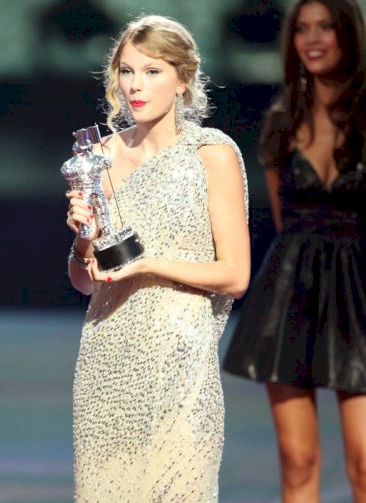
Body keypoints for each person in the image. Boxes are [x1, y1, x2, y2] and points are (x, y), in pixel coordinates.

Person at [64, 15, 250, 502]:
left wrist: (147, 265)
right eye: (126, 72)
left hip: (182, 362)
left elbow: (234, 275)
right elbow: (86, 282)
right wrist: (83, 239)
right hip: (107, 358)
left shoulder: (212, 154)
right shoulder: (99, 156)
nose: (135, 86)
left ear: (183, 78)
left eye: (152, 71)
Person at [222, 1, 366, 501]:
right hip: (293, 293)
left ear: (349, 34)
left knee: (365, 461)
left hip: (362, 293)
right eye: (303, 28)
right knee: (298, 460)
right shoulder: (281, 120)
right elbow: (286, 223)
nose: (314, 38)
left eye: (326, 26)